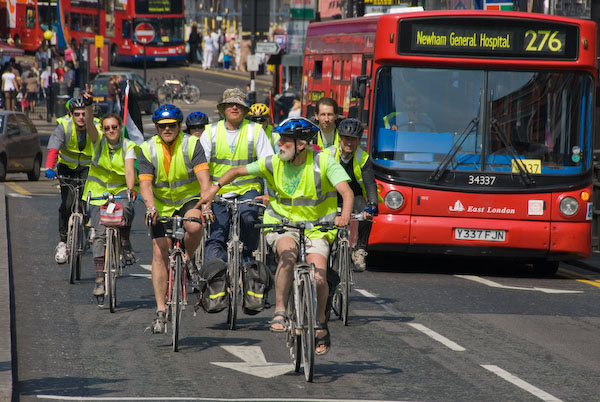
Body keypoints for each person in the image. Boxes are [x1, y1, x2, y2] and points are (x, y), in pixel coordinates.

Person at [200, 117, 354, 356]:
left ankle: (320, 321)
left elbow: (346, 190)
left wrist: (343, 216)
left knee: (320, 279)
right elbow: (237, 171)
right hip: (282, 224)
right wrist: (214, 188)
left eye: (285, 140)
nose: (279, 144)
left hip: (318, 227)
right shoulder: (274, 162)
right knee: (288, 256)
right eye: (280, 139)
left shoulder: (324, 161)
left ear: (301, 144)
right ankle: (280, 310)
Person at [139, 104, 211, 333]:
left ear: (180, 126)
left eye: (172, 126)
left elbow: (203, 181)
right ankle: (161, 311)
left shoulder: (191, 144)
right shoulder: (148, 148)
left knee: (194, 225)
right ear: (157, 128)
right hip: (160, 205)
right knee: (160, 251)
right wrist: (150, 207)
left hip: (188, 200)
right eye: (162, 126)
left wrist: (207, 206)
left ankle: (187, 259)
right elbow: (145, 184)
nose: (167, 129)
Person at [199, 88, 274, 264]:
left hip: (248, 190)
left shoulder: (255, 130)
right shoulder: (210, 131)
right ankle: (216, 278)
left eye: (238, 104)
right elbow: (201, 168)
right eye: (230, 104)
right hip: (217, 192)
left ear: (244, 109)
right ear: (223, 108)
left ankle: (248, 256)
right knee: (216, 233)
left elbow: (270, 165)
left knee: (248, 219)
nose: (234, 107)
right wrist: (206, 198)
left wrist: (269, 193)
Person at [81, 87, 138, 296]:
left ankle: (124, 240)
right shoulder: (98, 142)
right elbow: (88, 124)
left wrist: (131, 189)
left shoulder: (128, 145)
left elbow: (130, 169)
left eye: (114, 127)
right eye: (107, 128)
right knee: (100, 236)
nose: (111, 131)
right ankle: (99, 278)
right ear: (103, 130)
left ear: (120, 127)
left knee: (127, 212)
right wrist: (88, 105)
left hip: (120, 190)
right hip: (97, 193)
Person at [45, 97, 99, 263]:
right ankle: (62, 242)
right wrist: (48, 167)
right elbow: (54, 147)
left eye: (84, 113)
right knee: (67, 204)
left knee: (88, 201)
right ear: (71, 114)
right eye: (77, 114)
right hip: (67, 168)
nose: (81, 117)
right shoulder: (64, 126)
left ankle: (90, 226)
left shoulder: (95, 125)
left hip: (87, 168)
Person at [326, 118, 378, 271]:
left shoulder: (363, 158)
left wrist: (373, 204)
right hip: (331, 196)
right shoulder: (328, 154)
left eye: (353, 139)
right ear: (340, 138)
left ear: (359, 140)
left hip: (355, 196)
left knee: (367, 211)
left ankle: (359, 250)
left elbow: (370, 184)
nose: (350, 143)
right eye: (346, 139)